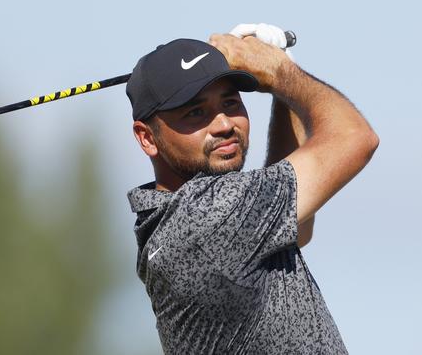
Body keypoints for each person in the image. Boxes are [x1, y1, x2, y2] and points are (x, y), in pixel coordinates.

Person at [125, 23, 379, 354]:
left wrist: (282, 89)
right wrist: (281, 72)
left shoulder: (171, 219)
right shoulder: (207, 216)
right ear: (147, 137)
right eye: (196, 112)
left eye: (230, 103)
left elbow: (296, 228)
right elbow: (356, 138)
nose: (224, 125)